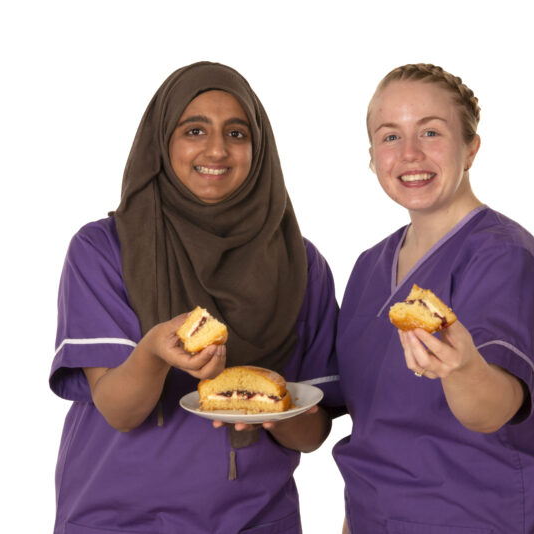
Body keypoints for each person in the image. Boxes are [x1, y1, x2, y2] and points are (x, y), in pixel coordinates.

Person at [49, 61, 341, 534]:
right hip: (122, 519)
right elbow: (120, 412)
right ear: (161, 143)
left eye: (238, 133)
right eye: (194, 130)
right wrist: (154, 351)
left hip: (258, 519)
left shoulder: (299, 263)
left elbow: (314, 432)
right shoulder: (104, 249)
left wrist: (273, 414)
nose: (217, 149)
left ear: (260, 148)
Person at [332, 63, 534, 533]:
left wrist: (463, 369)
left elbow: (494, 408)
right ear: (372, 154)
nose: (410, 154)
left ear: (471, 148)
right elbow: (373, 430)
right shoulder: (369, 266)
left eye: (431, 132)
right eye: (391, 137)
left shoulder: (507, 259)